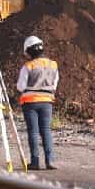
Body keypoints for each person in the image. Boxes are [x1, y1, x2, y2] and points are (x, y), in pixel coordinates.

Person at [16, 35, 59, 170]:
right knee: (46, 130)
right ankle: (50, 160)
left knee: (33, 132)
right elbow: (55, 83)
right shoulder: (53, 64)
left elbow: (21, 86)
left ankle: (35, 162)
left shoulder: (28, 66)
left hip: (30, 103)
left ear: (29, 51)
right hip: (47, 102)